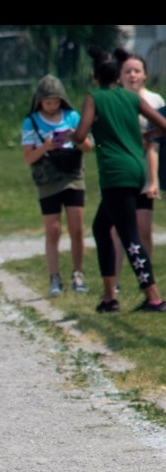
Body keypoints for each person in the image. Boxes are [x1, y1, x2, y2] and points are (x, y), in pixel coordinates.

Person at [69, 46, 166, 313]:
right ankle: (109, 297)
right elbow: (163, 125)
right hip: (136, 169)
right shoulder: (131, 98)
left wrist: (71, 136)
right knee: (102, 228)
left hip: (115, 174)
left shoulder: (95, 97)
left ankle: (154, 297)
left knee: (129, 236)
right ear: (117, 75)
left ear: (96, 76)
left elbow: (80, 135)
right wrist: (146, 137)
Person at [22, 74, 93, 297]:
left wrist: (76, 137)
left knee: (77, 228)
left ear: (62, 99)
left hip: (73, 175)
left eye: (55, 101)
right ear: (39, 101)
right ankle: (54, 278)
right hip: (47, 179)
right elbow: (29, 158)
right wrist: (46, 146)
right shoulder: (31, 121)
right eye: (47, 102)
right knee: (53, 231)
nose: (52, 106)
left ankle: (78, 274)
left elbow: (89, 147)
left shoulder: (72, 116)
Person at [112, 49, 164, 286]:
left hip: (144, 171)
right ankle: (114, 282)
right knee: (116, 230)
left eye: (137, 71)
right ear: (119, 75)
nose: (132, 75)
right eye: (127, 71)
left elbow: (157, 142)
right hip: (120, 173)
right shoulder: (112, 99)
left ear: (144, 75)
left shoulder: (155, 101)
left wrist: (154, 180)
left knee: (143, 227)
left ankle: (146, 279)